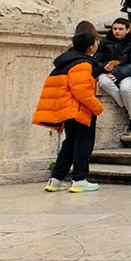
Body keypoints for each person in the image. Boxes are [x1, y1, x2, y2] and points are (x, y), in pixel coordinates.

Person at [35, 31, 105, 193]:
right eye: (95, 43)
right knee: (83, 145)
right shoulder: (83, 64)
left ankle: (56, 179)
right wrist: (97, 108)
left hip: (68, 110)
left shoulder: (67, 61)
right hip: (79, 110)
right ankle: (79, 179)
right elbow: (81, 91)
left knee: (70, 144)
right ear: (90, 47)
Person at [95, 17, 131, 132]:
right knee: (103, 82)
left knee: (125, 89)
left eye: (120, 29)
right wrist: (104, 67)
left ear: (127, 30)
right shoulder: (103, 42)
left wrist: (117, 74)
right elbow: (96, 61)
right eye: (115, 29)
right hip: (106, 73)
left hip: (125, 73)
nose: (117, 31)